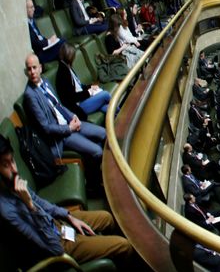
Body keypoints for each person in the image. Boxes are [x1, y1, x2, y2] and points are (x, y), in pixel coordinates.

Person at [0, 134, 133, 269]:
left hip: (55, 223)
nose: (14, 169)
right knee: (124, 246)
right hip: (56, 244)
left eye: (12, 161)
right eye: (6, 165)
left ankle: (105, 251)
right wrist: (30, 206)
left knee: (107, 218)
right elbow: (55, 248)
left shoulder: (12, 183)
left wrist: (68, 216)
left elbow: (40, 202)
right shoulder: (6, 210)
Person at [22, 54, 106, 163]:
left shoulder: (45, 81)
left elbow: (59, 105)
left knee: (104, 133)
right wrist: (69, 128)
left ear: (40, 68)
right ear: (26, 72)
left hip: (69, 121)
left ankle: (94, 168)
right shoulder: (30, 94)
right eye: (29, 69)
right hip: (62, 135)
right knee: (98, 151)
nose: (32, 72)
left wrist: (73, 116)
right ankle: (96, 175)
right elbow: (46, 128)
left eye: (34, 67)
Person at [55, 43, 112, 118]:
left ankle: (120, 118)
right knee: (106, 94)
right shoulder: (62, 74)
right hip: (79, 105)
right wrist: (89, 92)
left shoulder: (67, 67)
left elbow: (79, 86)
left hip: (83, 98)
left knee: (105, 106)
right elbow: (72, 98)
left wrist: (90, 87)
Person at [26, 0, 63, 64]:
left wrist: (50, 41)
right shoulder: (26, 26)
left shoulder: (32, 21)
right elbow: (35, 43)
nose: (34, 9)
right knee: (62, 45)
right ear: (25, 10)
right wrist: (49, 41)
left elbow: (39, 36)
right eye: (31, 7)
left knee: (62, 41)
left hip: (44, 47)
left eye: (33, 6)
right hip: (40, 53)